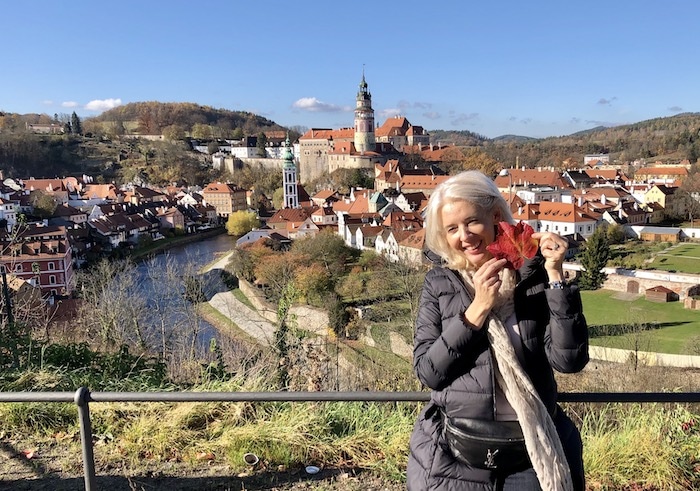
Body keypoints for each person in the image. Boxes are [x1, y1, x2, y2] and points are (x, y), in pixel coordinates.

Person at [406, 170, 589, 491]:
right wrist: (477, 308)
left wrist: (556, 276)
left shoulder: (533, 279)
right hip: (457, 455)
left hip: (531, 453)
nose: (464, 236)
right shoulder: (439, 284)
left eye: (472, 222)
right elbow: (429, 372)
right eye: (452, 228)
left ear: (494, 217)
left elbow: (568, 361)